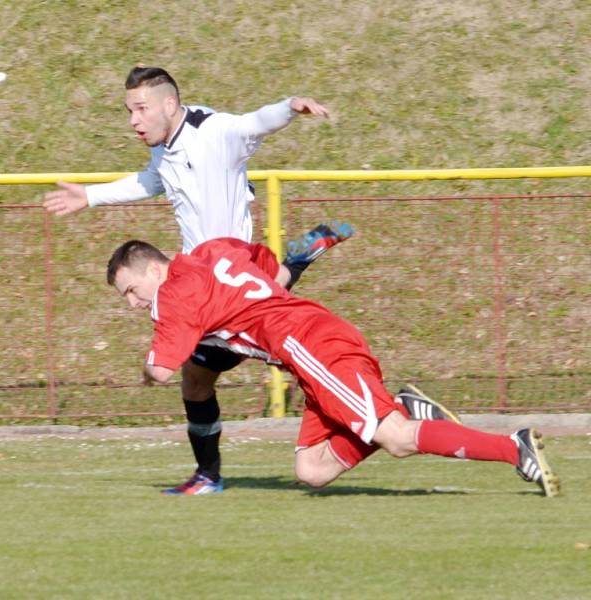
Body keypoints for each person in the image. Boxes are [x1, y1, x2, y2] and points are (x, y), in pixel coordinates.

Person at [45, 66, 449, 495]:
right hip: (216, 278)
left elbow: (253, 123)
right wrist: (91, 194)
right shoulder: (165, 147)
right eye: (129, 110)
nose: (133, 120)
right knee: (215, 368)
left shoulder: (213, 131)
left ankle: (212, 474)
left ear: (169, 104)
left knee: (222, 371)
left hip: (223, 281)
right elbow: (152, 180)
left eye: (140, 109)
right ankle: (299, 262)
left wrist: (290, 107)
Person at [105, 238, 561, 498]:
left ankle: (513, 447)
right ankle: (402, 409)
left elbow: (164, 371)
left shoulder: (171, 294)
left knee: (398, 440)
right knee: (312, 471)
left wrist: (146, 372)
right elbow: (268, 269)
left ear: (152, 269)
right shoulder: (212, 251)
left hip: (308, 345)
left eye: (129, 290)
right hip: (309, 345)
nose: (132, 303)